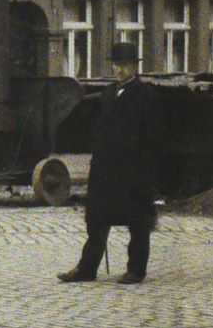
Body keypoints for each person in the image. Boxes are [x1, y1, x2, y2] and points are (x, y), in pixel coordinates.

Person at [59, 40, 163, 285]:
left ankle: (136, 269)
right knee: (97, 220)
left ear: (135, 67)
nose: (120, 70)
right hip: (106, 170)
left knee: (138, 222)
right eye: (117, 65)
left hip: (133, 170)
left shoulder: (147, 95)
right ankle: (87, 268)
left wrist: (145, 170)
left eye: (125, 66)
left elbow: (154, 137)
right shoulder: (107, 94)